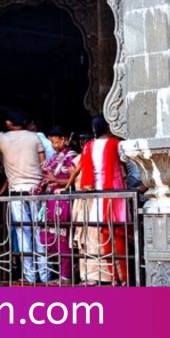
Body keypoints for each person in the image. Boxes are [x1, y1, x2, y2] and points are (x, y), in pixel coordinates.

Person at [0, 110, 47, 284]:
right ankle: (44, 275)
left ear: (8, 123)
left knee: (23, 233)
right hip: (37, 191)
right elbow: (44, 164)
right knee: (38, 232)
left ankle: (29, 276)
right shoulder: (35, 137)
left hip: (17, 192)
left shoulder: (1, 139)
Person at [69, 115, 128, 284]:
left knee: (104, 236)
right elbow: (124, 165)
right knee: (118, 235)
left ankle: (114, 277)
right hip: (115, 196)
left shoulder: (88, 147)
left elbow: (82, 173)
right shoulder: (117, 144)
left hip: (95, 196)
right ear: (109, 128)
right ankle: (123, 277)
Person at [35, 126, 79, 284]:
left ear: (65, 139)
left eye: (57, 142)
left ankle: (66, 277)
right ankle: (60, 274)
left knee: (63, 240)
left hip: (63, 201)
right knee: (51, 238)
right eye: (52, 143)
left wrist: (55, 181)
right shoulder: (55, 157)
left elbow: (73, 179)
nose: (54, 145)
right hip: (51, 202)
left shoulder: (71, 156)